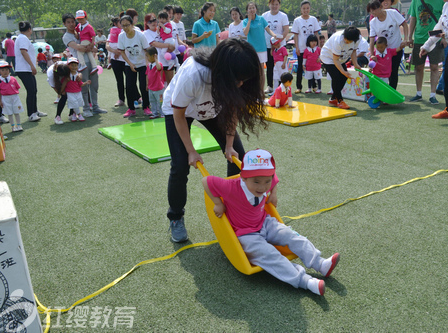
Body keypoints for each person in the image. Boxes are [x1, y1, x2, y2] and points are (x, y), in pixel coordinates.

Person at [162, 38, 267, 242]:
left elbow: (233, 109)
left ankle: (233, 208)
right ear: (224, 73)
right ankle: (175, 217)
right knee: (180, 165)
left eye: (243, 80)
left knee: (238, 155)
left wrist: (229, 145)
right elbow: (178, 115)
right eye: (238, 80)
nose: (241, 84)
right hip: (181, 111)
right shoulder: (194, 75)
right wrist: (191, 150)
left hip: (212, 108)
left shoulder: (236, 77)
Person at [202, 148, 340, 296]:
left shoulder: (266, 178)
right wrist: (218, 203)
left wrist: (273, 193)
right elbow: (206, 181)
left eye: (266, 182)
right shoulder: (230, 187)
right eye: (256, 182)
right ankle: (305, 281)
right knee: (269, 254)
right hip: (246, 234)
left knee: (290, 235)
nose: (262, 187)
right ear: (243, 178)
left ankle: (320, 264)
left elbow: (273, 178)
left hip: (265, 222)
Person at [62, 13, 107, 117]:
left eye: (73, 22)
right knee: (84, 87)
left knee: (94, 85)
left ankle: (95, 107)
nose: (71, 24)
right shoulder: (66, 36)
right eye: (68, 22)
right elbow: (79, 48)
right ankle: (86, 108)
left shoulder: (79, 31)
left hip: (91, 62)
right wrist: (90, 47)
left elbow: (91, 44)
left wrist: (91, 46)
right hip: (80, 64)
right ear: (64, 24)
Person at [408, 0, 444, 104]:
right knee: (419, 67)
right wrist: (410, 36)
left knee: (434, 67)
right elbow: (413, 18)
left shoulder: (441, 1)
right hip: (419, 38)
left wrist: (444, 38)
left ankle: (433, 95)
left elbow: (445, 21)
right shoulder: (415, 1)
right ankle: (418, 93)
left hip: (435, 39)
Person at [368, 0, 409, 89]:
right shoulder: (373, 22)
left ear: (380, 7)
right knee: (381, 72)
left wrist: (405, 39)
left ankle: (391, 94)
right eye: (371, 11)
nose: (372, 12)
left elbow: (405, 24)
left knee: (393, 71)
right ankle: (381, 92)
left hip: (396, 48)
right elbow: (371, 40)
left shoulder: (393, 13)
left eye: (374, 10)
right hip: (383, 52)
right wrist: (372, 55)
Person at [320, 26, 362, 110]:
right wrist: (343, 71)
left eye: (349, 40)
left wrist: (356, 64)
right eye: (346, 39)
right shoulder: (338, 40)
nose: (346, 41)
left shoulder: (357, 38)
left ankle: (333, 99)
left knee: (344, 77)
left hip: (341, 59)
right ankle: (340, 101)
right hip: (329, 58)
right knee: (336, 78)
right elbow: (335, 59)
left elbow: (353, 51)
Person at [118, 15, 151, 118]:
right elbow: (122, 52)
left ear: (132, 24)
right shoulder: (121, 36)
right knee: (129, 86)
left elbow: (146, 50)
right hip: (130, 64)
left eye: (127, 25)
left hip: (142, 64)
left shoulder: (140, 35)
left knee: (143, 86)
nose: (125, 28)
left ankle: (146, 107)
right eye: (123, 26)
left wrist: (146, 65)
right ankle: (131, 109)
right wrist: (130, 63)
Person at [243, 2, 280, 91]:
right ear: (247, 10)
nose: (252, 10)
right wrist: (249, 20)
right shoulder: (245, 21)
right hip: (251, 50)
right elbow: (245, 33)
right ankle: (252, 89)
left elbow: (268, 29)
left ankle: (260, 90)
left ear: (256, 9)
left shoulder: (261, 19)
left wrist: (273, 35)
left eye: (253, 8)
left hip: (262, 48)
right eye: (250, 8)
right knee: (252, 70)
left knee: (261, 71)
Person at [15, 21, 47, 122]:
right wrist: (32, 66)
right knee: (31, 91)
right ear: (29, 29)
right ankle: (31, 114)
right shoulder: (23, 38)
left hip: (25, 69)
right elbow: (23, 52)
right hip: (24, 69)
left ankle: (35, 110)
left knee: (34, 90)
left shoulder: (20, 38)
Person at [291, 0, 321, 93]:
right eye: (304, 8)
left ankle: (314, 86)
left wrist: (318, 47)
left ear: (310, 9)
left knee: (312, 67)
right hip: (302, 48)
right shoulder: (297, 20)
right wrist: (297, 47)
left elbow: (316, 33)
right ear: (301, 9)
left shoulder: (313, 19)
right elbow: (295, 35)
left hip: (312, 49)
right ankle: (299, 87)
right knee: (300, 67)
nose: (306, 10)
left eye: (307, 8)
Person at [262, 0, 289, 94]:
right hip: (268, 46)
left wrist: (278, 43)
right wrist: (271, 45)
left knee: (280, 67)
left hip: (280, 47)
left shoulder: (283, 16)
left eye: (276, 4)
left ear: (279, 5)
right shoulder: (264, 15)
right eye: (272, 4)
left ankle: (282, 86)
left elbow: (286, 30)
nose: (274, 6)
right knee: (269, 66)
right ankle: (270, 86)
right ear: (269, 4)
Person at [0, 61, 24, 132]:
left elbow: (17, 87)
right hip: (5, 98)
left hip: (15, 97)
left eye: (7, 70)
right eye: (2, 70)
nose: (5, 72)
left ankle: (19, 125)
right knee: (9, 113)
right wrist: (0, 101)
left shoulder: (13, 79)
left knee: (16, 111)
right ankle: (13, 127)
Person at [64, 58, 91, 122]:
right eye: (72, 65)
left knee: (78, 103)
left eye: (75, 65)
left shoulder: (78, 75)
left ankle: (74, 114)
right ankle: (79, 115)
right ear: (68, 66)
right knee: (74, 103)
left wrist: (86, 82)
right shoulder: (67, 74)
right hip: (70, 92)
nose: (74, 67)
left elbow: (80, 84)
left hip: (78, 91)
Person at [107, 17, 126, 106]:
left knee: (130, 80)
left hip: (125, 60)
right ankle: (121, 99)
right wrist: (115, 51)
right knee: (120, 80)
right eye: (120, 22)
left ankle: (137, 97)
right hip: (115, 60)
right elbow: (107, 46)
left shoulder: (125, 32)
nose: (122, 24)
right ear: (115, 23)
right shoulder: (112, 32)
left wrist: (119, 51)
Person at [75, 10, 98, 74]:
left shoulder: (89, 27)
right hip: (84, 40)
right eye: (79, 19)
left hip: (86, 40)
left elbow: (93, 36)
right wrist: (76, 34)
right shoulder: (79, 25)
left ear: (86, 18)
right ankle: (94, 66)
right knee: (89, 53)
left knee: (79, 51)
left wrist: (92, 44)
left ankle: (83, 64)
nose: (80, 20)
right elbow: (76, 30)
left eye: (82, 18)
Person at [145, 46, 164, 119]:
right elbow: (147, 75)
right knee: (152, 101)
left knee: (160, 101)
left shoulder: (158, 64)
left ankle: (162, 113)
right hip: (151, 88)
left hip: (158, 88)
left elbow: (159, 68)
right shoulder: (149, 65)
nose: (147, 58)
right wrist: (147, 84)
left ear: (153, 56)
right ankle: (154, 113)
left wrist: (156, 59)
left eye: (148, 56)